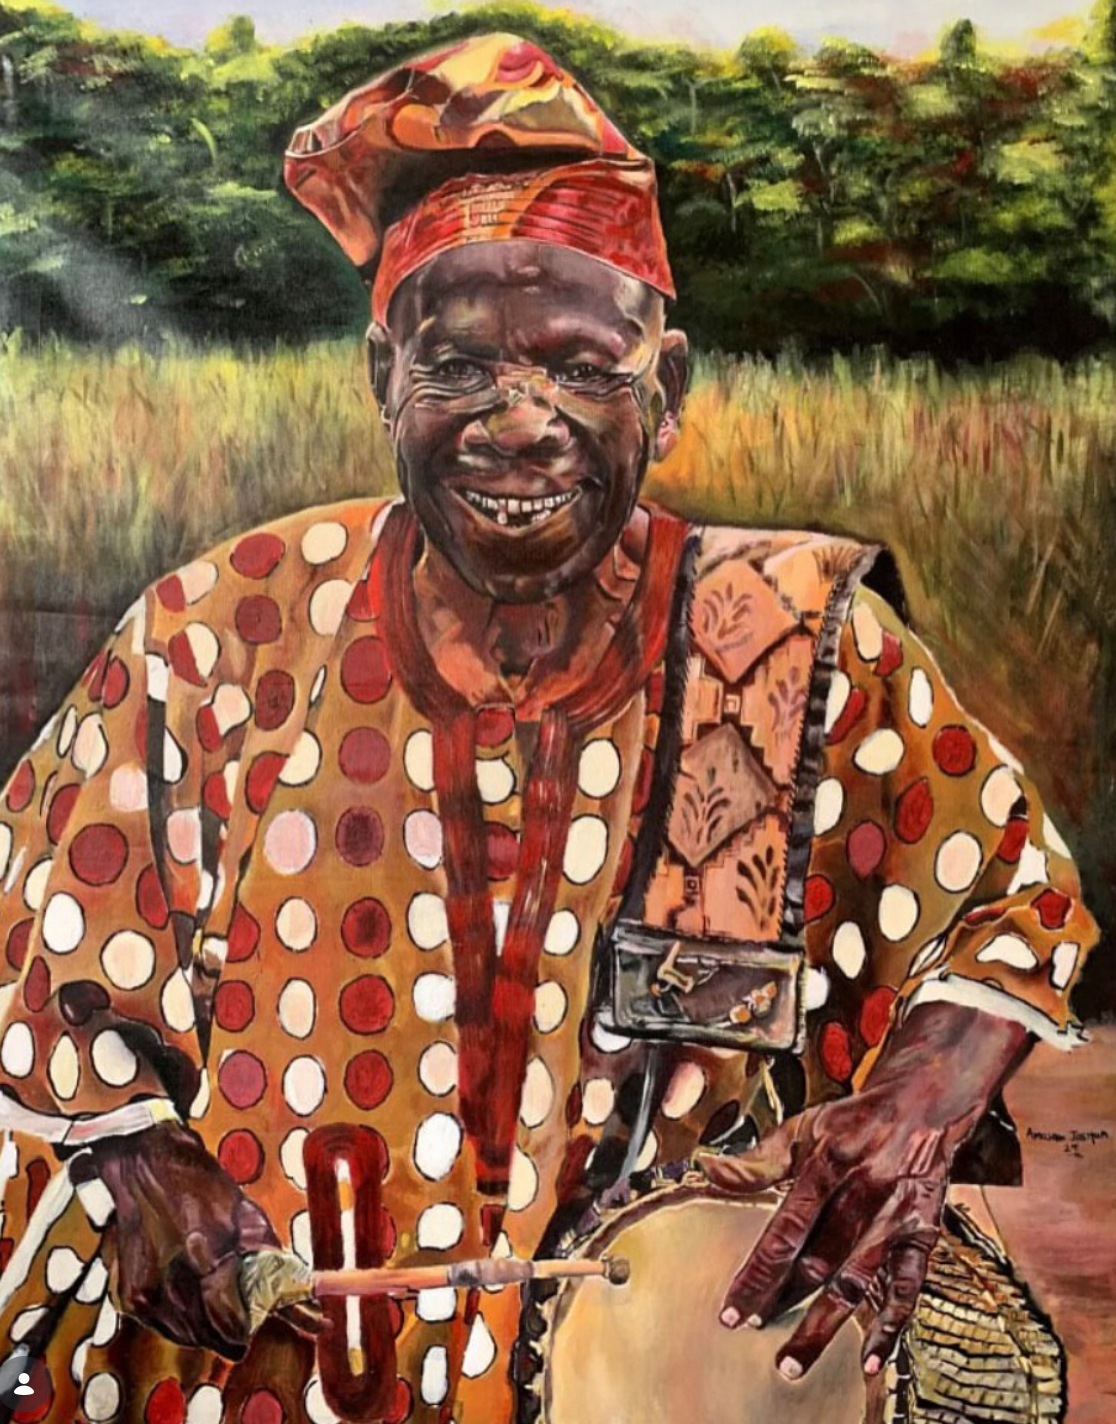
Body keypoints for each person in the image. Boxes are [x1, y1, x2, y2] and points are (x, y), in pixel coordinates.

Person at [0, 31, 1097, 1424]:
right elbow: (35, 927)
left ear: (668, 389)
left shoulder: (782, 642)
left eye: (582, 368)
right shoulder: (216, 639)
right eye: (458, 367)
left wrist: (918, 1102)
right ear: (382, 377)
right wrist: (131, 1157)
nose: (520, 424)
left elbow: (1010, 903)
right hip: (254, 1379)